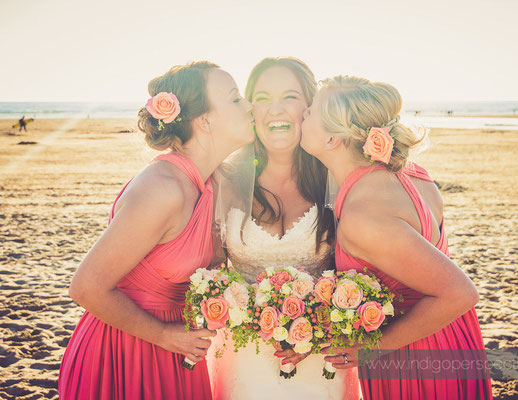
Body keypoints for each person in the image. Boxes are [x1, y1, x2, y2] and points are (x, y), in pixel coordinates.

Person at [58, 61, 255, 399]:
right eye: (236, 98)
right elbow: (86, 287)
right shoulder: (162, 188)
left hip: (176, 348)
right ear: (205, 121)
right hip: (126, 349)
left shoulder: (211, 182)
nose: (249, 105)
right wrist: (165, 335)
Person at [300, 76, 493, 399]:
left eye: (313, 109)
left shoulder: (364, 215)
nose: (304, 111)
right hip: (454, 337)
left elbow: (461, 293)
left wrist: (371, 349)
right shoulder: (413, 173)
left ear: (333, 138)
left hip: (416, 357)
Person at [208, 57, 359, 399]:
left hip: (320, 360)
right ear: (250, 108)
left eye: (289, 96)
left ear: (310, 107)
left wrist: (317, 333)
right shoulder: (225, 179)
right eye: (262, 98)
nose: (275, 109)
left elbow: (355, 271)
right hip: (243, 361)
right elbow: (213, 271)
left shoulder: (334, 178)